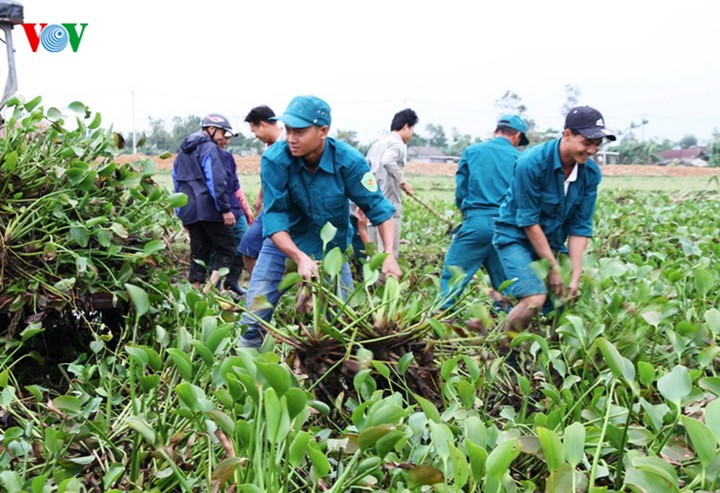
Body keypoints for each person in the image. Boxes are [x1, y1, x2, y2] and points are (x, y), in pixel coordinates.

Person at [238, 95, 402, 349]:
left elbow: (379, 209)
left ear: (323, 131)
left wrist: (389, 253)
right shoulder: (275, 160)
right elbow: (274, 218)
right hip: (284, 244)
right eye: (289, 130)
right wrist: (299, 257)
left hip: (330, 250)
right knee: (253, 320)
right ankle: (246, 376)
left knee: (342, 323)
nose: (291, 138)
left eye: (300, 132)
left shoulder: (349, 162)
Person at [492, 106, 615, 331]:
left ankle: (543, 346)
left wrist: (575, 276)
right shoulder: (531, 163)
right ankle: (503, 348)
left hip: (552, 241)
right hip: (515, 237)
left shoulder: (590, 174)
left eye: (597, 145)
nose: (591, 150)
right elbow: (528, 220)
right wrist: (553, 268)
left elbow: (580, 227)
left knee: (566, 297)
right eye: (587, 142)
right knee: (534, 299)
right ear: (567, 134)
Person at [437, 115, 529, 309]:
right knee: (506, 283)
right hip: (506, 229)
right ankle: (504, 327)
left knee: (453, 276)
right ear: (517, 136)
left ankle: (441, 321)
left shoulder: (472, 151)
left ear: (496, 131)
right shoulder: (520, 159)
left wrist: (468, 213)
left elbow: (461, 190)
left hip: (476, 222)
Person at [172, 113, 237, 289]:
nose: (224, 137)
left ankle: (194, 292)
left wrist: (181, 214)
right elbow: (215, 181)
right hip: (208, 209)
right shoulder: (210, 148)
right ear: (211, 129)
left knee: (199, 252)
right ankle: (209, 291)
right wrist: (224, 209)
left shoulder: (182, 153)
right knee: (228, 247)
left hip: (189, 210)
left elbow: (176, 184)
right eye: (223, 133)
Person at [238, 105, 286, 277]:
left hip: (287, 210)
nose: (255, 136)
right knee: (248, 246)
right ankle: (258, 290)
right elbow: (268, 177)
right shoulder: (268, 146)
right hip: (270, 208)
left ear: (263, 125)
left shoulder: (290, 140)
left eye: (254, 130)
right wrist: (259, 198)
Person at [365, 108, 419, 258]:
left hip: (372, 200)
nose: (412, 133)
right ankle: (387, 279)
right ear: (407, 126)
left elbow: (366, 169)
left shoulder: (377, 144)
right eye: (412, 129)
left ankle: (373, 280)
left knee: (374, 246)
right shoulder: (397, 143)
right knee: (389, 247)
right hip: (389, 200)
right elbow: (388, 161)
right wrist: (403, 182)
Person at [212, 131, 255, 296]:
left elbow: (235, 185)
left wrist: (246, 209)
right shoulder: (205, 157)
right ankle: (213, 287)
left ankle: (232, 282)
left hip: (235, 210)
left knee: (244, 243)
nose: (226, 141)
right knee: (218, 249)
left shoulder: (228, 157)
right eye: (224, 137)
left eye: (229, 138)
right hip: (217, 213)